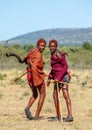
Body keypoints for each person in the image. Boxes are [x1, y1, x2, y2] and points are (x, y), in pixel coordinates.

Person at [47, 39, 73, 122]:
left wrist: (58, 78)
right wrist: (50, 77)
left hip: (63, 76)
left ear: (56, 46)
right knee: (59, 95)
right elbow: (54, 68)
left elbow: (65, 66)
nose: (52, 47)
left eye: (53, 46)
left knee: (62, 95)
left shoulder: (58, 53)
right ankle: (61, 115)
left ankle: (67, 116)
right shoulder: (52, 54)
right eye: (50, 46)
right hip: (58, 77)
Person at [23, 38, 46, 120]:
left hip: (30, 75)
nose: (43, 47)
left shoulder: (32, 51)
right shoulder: (38, 54)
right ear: (37, 45)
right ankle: (36, 116)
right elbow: (35, 67)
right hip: (35, 76)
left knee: (35, 94)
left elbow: (25, 59)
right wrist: (37, 79)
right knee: (43, 95)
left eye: (44, 46)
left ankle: (27, 108)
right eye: (41, 46)